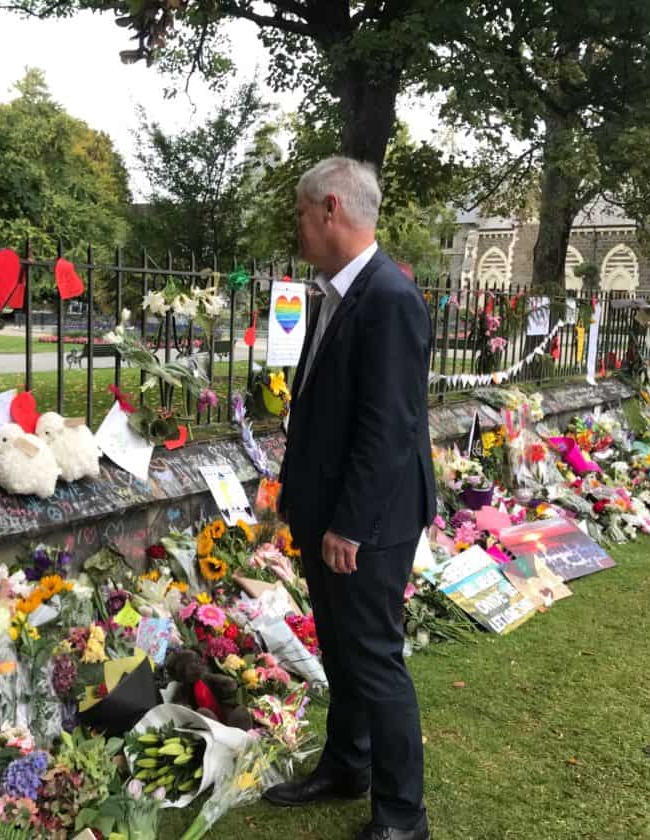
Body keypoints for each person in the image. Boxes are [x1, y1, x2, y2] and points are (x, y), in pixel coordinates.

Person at [264, 157, 436, 840]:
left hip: (368, 521)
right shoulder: (337, 292)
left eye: (302, 214)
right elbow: (326, 408)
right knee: (340, 648)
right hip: (328, 508)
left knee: (373, 658)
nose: (298, 228)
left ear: (331, 208)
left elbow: (387, 427)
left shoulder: (389, 297)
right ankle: (347, 764)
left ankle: (402, 816)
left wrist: (349, 526)